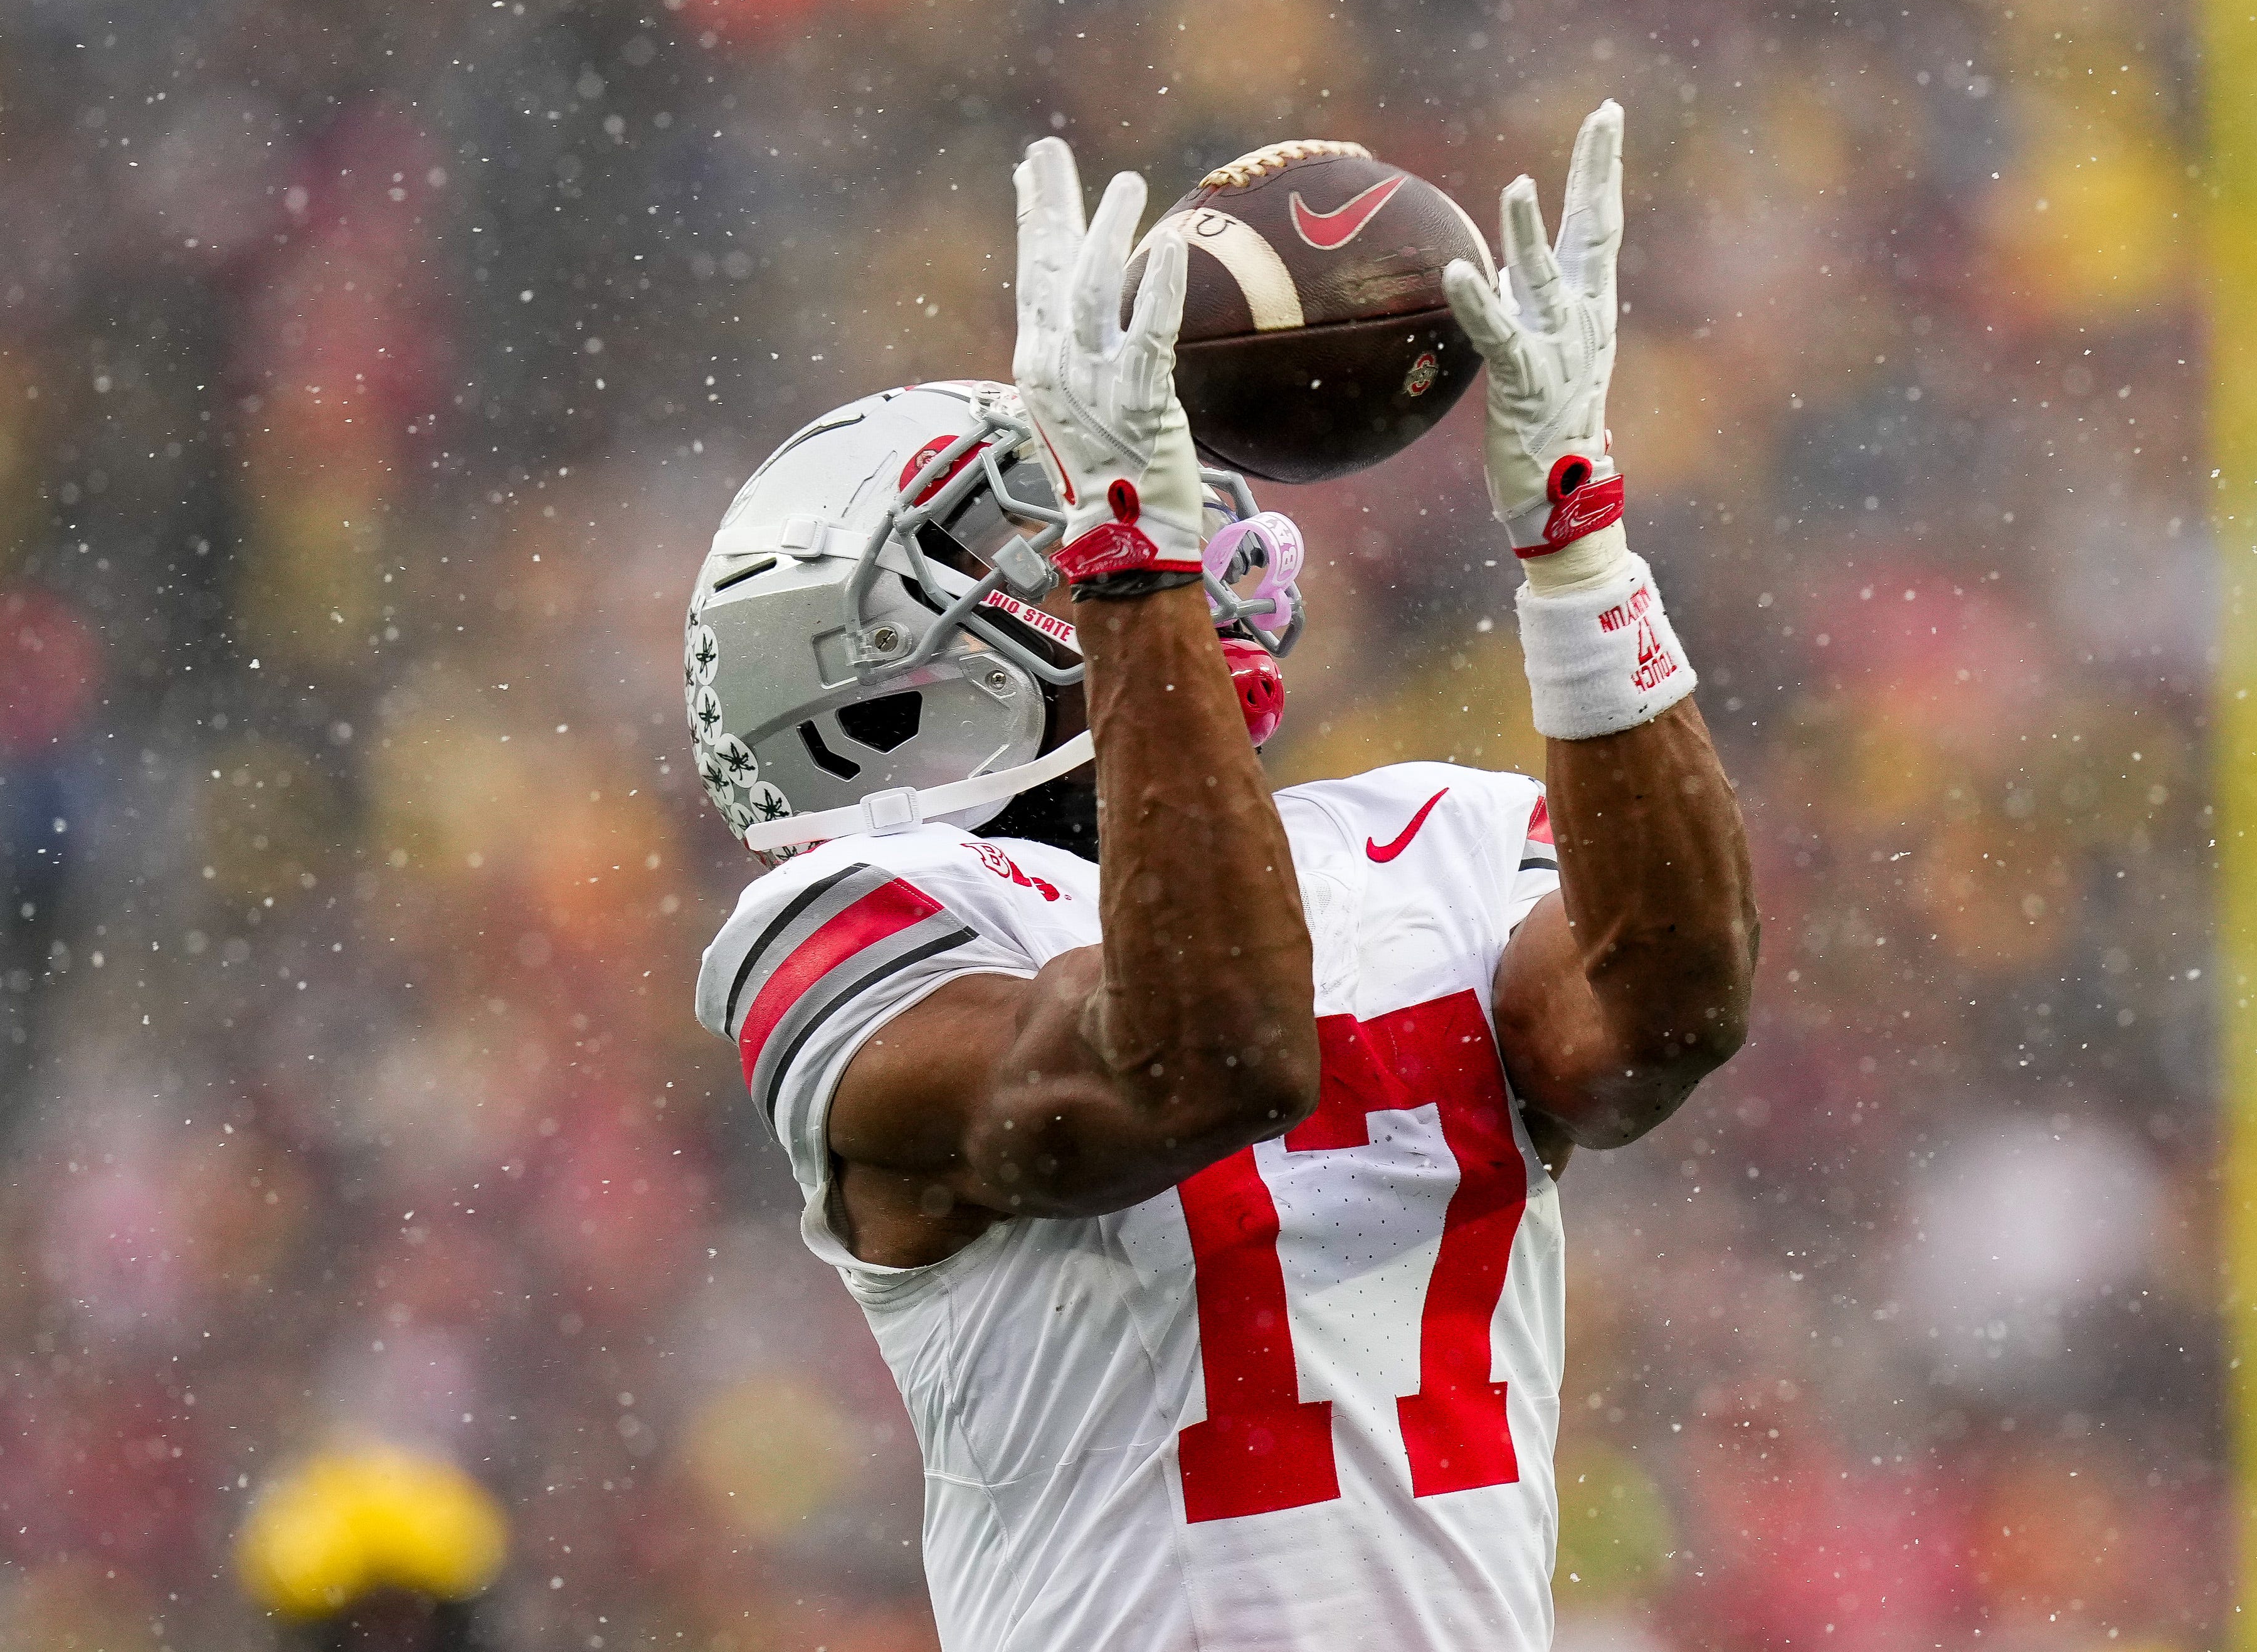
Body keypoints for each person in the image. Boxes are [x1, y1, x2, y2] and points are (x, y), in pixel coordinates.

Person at [684, 102, 1757, 1652]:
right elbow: (1202, 1059)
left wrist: (1577, 545)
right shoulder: (861, 923)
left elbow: (1662, 1016)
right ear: (872, 674)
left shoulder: (1432, 832)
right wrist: (1131, 573)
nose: (1161, 509)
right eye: (1031, 525)